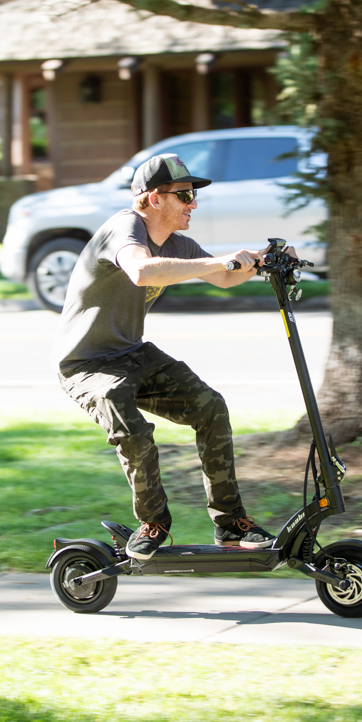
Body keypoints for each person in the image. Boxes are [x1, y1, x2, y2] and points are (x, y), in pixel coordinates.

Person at [52, 152, 277, 561]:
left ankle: (230, 524)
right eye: (185, 194)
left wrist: (266, 260)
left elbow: (224, 276)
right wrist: (213, 261)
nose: (193, 203)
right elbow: (141, 271)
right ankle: (153, 522)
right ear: (154, 198)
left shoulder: (179, 244)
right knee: (133, 428)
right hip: (86, 364)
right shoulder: (124, 228)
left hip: (132, 353)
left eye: (194, 195)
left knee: (210, 406)